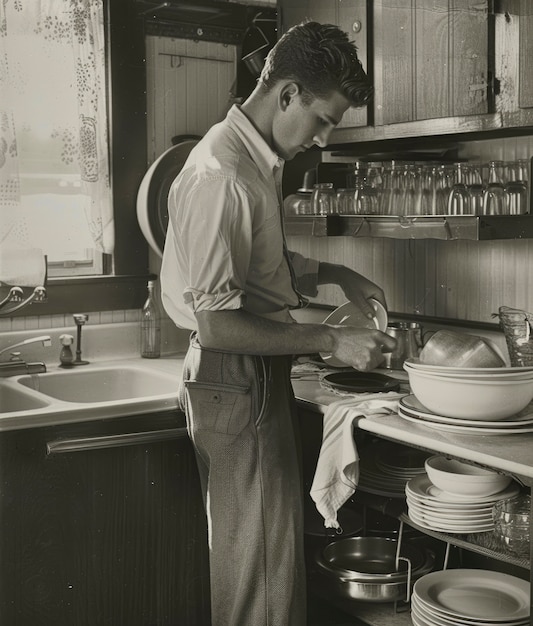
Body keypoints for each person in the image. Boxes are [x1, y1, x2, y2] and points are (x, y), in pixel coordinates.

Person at [160, 20, 397, 626]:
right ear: (287, 93)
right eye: (322, 119)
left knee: (260, 570)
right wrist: (332, 340)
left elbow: (254, 265)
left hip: (240, 379)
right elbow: (219, 325)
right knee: (261, 588)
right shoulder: (223, 175)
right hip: (236, 373)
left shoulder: (250, 160)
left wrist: (334, 270)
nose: (321, 139)